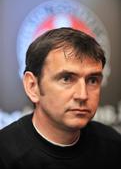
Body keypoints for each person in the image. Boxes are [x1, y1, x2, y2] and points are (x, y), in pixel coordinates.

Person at [0, 27, 121, 168]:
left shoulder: (113, 146)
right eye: (66, 78)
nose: (82, 95)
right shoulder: (4, 155)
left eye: (92, 80)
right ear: (33, 86)